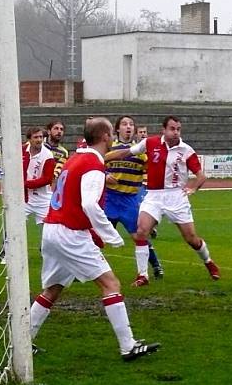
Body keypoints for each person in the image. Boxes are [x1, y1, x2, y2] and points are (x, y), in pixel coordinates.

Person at [29, 117, 159, 361]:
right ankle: (128, 346)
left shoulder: (76, 157)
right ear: (105, 137)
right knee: (110, 284)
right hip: (70, 234)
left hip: (52, 229)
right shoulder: (92, 165)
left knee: (53, 289)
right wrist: (110, 235)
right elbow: (89, 204)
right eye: (111, 134)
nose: (112, 138)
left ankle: (24, 340)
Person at [106, 115, 220, 287]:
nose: (176, 132)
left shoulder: (186, 150)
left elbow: (201, 175)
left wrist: (193, 188)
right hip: (154, 195)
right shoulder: (150, 143)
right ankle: (142, 275)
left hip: (176, 197)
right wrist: (103, 158)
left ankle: (208, 261)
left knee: (191, 238)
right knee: (141, 231)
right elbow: (128, 152)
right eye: (172, 129)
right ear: (164, 130)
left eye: (178, 129)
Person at [105, 116, 164, 280]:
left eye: (131, 124)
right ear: (117, 129)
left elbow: (151, 170)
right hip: (109, 198)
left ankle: (155, 266)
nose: (128, 127)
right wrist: (105, 176)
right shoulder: (110, 148)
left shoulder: (140, 151)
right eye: (124, 124)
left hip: (129, 201)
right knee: (96, 237)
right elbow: (97, 165)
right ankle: (78, 270)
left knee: (140, 235)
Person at [0, 126, 56, 264]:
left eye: (41, 137)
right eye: (36, 137)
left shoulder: (48, 155)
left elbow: (47, 178)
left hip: (43, 198)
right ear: (29, 139)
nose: (39, 140)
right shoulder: (21, 151)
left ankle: (48, 253)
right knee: (14, 224)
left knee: (50, 229)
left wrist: (26, 184)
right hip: (24, 198)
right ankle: (7, 254)